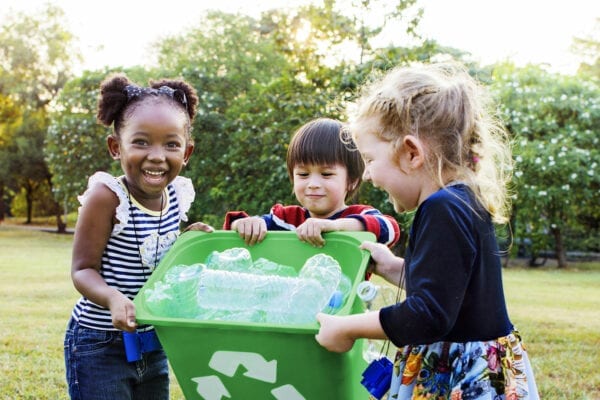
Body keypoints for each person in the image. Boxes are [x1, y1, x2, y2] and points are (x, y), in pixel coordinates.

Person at [315, 63, 539, 399]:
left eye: (371, 160)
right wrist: (391, 265)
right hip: (481, 368)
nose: (371, 176)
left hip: (461, 377)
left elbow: (429, 315)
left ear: (411, 153)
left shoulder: (441, 208)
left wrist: (348, 327)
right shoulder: (463, 198)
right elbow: (450, 290)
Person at [64, 73, 213, 400]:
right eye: (141, 142)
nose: (157, 155)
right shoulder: (107, 197)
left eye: (171, 144)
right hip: (100, 343)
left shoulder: (177, 195)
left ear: (186, 153)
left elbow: (159, 254)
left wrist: (189, 241)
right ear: (116, 147)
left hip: (152, 341)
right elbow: (82, 269)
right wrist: (113, 298)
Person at [223, 117, 400, 249]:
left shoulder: (359, 215)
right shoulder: (286, 220)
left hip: (346, 298)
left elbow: (390, 230)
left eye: (326, 174)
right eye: (303, 174)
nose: (313, 184)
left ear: (352, 181)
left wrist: (334, 226)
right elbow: (235, 227)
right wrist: (245, 224)